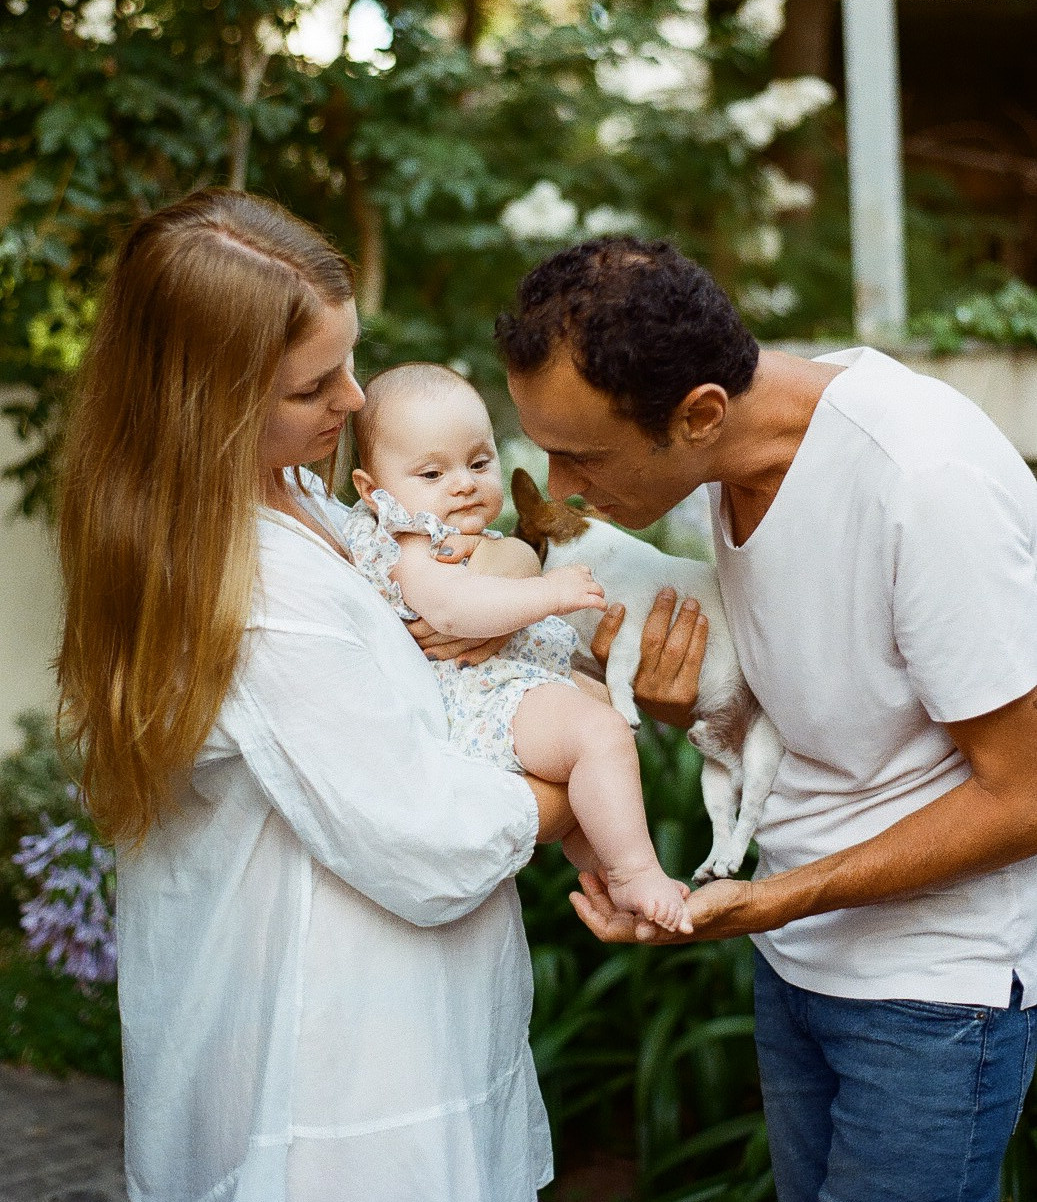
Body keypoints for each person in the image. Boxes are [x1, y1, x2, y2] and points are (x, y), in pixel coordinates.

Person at [55, 190, 703, 1202]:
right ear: (215, 397)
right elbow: (424, 835)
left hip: (404, 1021)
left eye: (349, 360)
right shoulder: (254, 590)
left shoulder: (312, 502)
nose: (356, 401)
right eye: (316, 384)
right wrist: (581, 766)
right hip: (336, 1063)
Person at [496, 235, 1037, 1202]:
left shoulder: (922, 482)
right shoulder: (723, 456)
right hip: (794, 955)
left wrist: (779, 896)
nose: (560, 490)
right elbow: (829, 714)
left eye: (580, 456)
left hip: (931, 994)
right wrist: (692, 717)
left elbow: (1027, 794)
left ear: (700, 412)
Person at [344, 361, 695, 932]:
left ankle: (605, 868)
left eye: (479, 463)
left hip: (515, 679)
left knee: (605, 716)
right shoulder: (410, 544)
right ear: (372, 490)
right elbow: (454, 610)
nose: (462, 483)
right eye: (432, 473)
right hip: (484, 695)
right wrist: (547, 593)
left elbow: (495, 576)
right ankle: (634, 871)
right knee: (599, 734)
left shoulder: (462, 534)